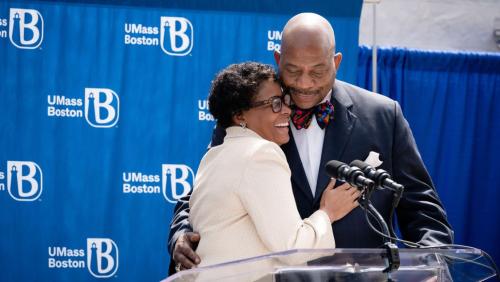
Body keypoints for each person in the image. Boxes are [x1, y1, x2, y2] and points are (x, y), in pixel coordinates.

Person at [168, 13, 453, 273]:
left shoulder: (383, 115)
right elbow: (202, 194)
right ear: (278, 59)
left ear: (336, 62)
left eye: (317, 72)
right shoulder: (247, 116)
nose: (304, 83)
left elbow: (422, 208)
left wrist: (431, 267)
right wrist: (181, 235)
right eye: (293, 71)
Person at [187, 62, 360, 269]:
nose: (288, 110)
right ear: (240, 115)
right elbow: (293, 249)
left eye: (285, 101)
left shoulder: (213, 157)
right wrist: (327, 212)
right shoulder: (261, 154)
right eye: (275, 103)